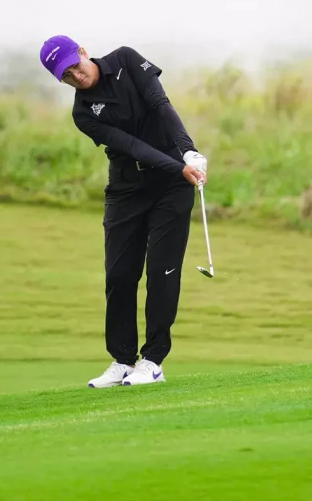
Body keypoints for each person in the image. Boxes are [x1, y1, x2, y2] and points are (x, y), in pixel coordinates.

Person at [39, 35, 208, 388]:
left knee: (161, 272)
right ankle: (123, 360)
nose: (75, 77)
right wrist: (178, 165)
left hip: (172, 189)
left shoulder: (127, 61)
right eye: (66, 76)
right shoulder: (83, 113)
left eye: (75, 66)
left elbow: (162, 105)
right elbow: (130, 146)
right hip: (127, 189)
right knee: (118, 275)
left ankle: (153, 361)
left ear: (84, 52)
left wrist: (187, 153)